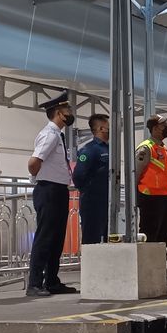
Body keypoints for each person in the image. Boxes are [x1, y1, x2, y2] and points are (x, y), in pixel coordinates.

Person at [26, 93, 77, 297]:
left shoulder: (58, 135)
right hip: (48, 189)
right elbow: (33, 163)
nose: (71, 113)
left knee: (56, 238)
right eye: (68, 110)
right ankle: (35, 283)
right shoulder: (50, 134)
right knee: (45, 237)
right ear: (59, 113)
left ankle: (52, 281)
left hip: (57, 190)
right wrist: (40, 178)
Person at [135, 114, 167, 284]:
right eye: (164, 125)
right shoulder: (145, 148)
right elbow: (136, 173)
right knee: (150, 236)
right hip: (150, 198)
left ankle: (161, 272)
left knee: (164, 236)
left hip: (163, 198)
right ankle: (148, 273)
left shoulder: (163, 148)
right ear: (155, 128)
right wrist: (137, 198)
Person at [71, 114, 109, 245]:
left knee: (108, 238)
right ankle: (89, 265)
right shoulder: (90, 150)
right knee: (91, 238)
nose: (111, 129)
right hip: (93, 202)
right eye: (108, 126)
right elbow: (78, 176)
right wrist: (90, 191)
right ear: (101, 128)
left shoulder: (108, 149)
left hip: (106, 202)